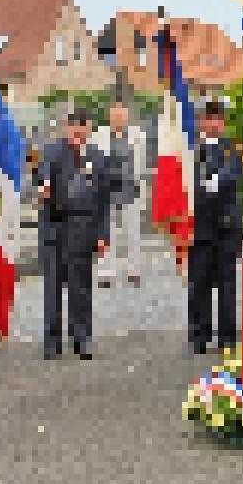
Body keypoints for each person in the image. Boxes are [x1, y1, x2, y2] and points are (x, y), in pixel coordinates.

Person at [36, 105, 112, 360]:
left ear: (89, 129)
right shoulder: (52, 151)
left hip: (84, 228)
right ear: (66, 128)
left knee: (81, 288)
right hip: (56, 228)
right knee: (53, 287)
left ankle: (82, 339)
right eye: (74, 128)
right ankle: (52, 342)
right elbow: (43, 173)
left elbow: (103, 201)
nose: (78, 133)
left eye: (83, 128)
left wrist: (103, 235)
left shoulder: (98, 157)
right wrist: (43, 185)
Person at [188, 98, 243, 355]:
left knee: (227, 282)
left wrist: (216, 180)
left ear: (222, 122)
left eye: (217, 119)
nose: (213, 124)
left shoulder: (231, 148)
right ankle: (198, 335)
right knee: (199, 282)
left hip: (226, 225)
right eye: (208, 119)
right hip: (200, 225)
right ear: (201, 121)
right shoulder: (192, 150)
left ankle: (228, 337)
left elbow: (234, 172)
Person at [93, 93, 142, 287]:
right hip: (107, 191)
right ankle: (106, 271)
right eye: (115, 114)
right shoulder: (99, 136)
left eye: (122, 114)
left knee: (133, 232)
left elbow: (140, 162)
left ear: (127, 116)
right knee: (106, 232)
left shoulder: (138, 136)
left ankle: (133, 269)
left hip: (131, 189)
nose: (118, 118)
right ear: (109, 116)